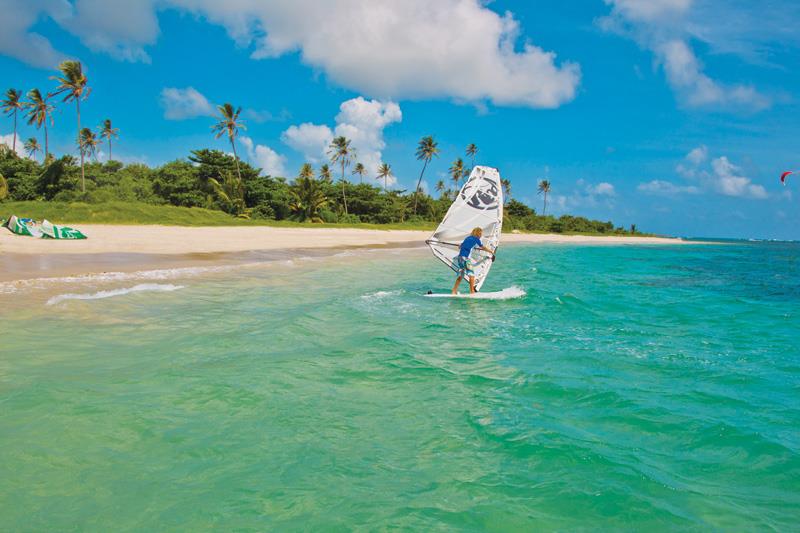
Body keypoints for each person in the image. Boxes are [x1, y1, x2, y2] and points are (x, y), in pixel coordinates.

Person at [452, 227, 495, 294]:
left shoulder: (467, 238)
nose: (481, 235)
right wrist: (491, 251)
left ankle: (454, 290)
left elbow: (460, 246)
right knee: (471, 276)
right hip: (466, 258)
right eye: (480, 233)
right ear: (478, 233)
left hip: (460, 258)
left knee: (461, 275)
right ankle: (472, 292)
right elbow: (482, 247)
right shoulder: (476, 239)